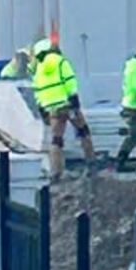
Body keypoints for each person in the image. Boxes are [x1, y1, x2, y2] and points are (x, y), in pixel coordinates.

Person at [30, 38, 95, 181]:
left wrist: (42, 109)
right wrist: (74, 100)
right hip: (67, 105)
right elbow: (70, 81)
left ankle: (56, 172)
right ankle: (91, 163)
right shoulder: (60, 61)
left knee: (56, 139)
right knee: (83, 131)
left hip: (53, 109)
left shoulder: (39, 69)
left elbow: (38, 92)